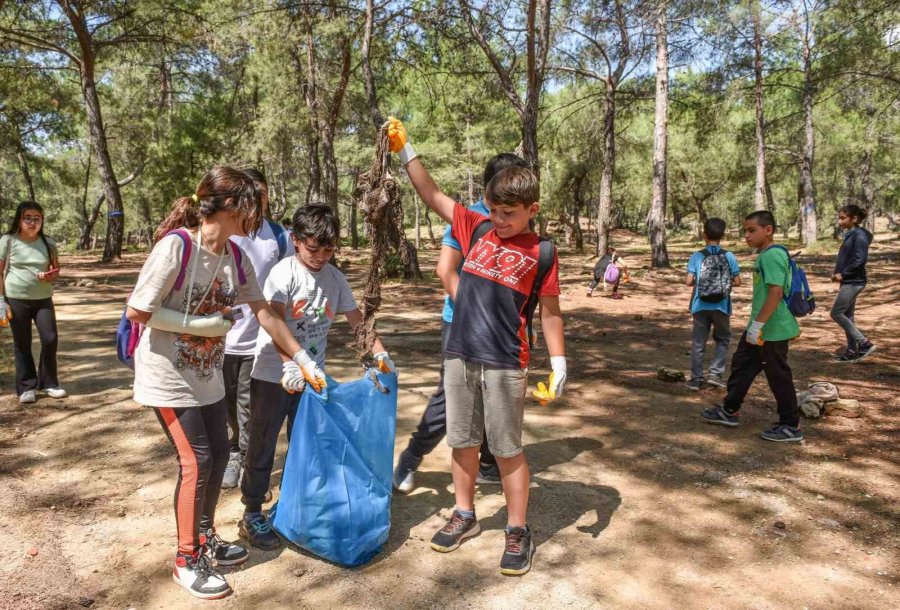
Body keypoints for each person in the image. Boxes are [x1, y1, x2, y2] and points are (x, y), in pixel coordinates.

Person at [126, 166, 326, 600]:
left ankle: (204, 537)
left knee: (219, 457)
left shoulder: (234, 255)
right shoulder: (177, 247)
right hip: (168, 377)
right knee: (197, 462)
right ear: (231, 205)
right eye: (253, 203)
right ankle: (186, 559)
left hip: (207, 376)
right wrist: (200, 324)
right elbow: (138, 310)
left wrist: (301, 356)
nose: (260, 212)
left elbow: (265, 312)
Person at [388, 117, 567, 576]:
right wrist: (406, 150)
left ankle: (517, 529)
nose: (500, 220)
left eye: (510, 213)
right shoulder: (477, 228)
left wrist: (559, 363)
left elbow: (550, 312)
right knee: (464, 442)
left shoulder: (542, 252)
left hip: (505, 361)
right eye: (494, 210)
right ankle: (464, 514)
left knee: (506, 449)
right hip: (460, 353)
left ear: (532, 209)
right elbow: (431, 194)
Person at [238, 203, 394, 550]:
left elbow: (357, 322)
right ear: (296, 240)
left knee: (306, 443)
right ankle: (252, 513)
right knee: (262, 443)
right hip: (273, 374)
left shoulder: (334, 279)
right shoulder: (284, 273)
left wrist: (380, 354)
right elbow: (275, 323)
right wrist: (291, 364)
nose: (321, 256)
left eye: (328, 249)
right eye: (313, 249)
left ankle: (298, 506)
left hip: (313, 377)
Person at [392, 154, 531, 495]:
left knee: (496, 392)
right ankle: (411, 457)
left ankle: (487, 463)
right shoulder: (470, 217)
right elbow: (445, 270)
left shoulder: (519, 216)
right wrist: (475, 311)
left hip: (505, 331)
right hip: (462, 323)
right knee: (452, 398)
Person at [700, 210, 802, 443]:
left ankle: (790, 425)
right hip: (759, 327)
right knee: (742, 366)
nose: (746, 235)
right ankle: (730, 410)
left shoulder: (772, 256)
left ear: (768, 230)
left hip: (771, 329)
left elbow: (776, 293)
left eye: (752, 230)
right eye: (745, 231)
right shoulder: (766, 255)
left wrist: (757, 326)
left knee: (778, 375)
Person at [221, 169, 294, 489]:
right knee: (225, 402)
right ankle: (232, 451)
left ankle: (246, 460)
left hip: (260, 338)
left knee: (250, 406)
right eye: (250, 193)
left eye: (261, 193)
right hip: (220, 336)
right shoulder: (228, 231)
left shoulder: (279, 236)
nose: (256, 199)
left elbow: (290, 280)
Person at [0, 201, 65, 403]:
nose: (32, 222)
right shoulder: (8, 241)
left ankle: (49, 383)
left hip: (43, 299)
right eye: (27, 218)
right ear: (19, 220)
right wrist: (1, 300)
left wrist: (50, 276)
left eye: (37, 218)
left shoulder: (48, 243)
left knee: (50, 338)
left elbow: (56, 270)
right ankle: (26, 387)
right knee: (22, 342)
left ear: (42, 221)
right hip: (15, 298)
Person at [685, 218, 742, 391]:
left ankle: (696, 379)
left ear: (704, 235)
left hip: (700, 306)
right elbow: (737, 281)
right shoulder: (729, 256)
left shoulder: (697, 256)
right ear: (723, 235)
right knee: (722, 340)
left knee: (698, 342)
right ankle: (715, 375)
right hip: (722, 306)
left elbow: (688, 281)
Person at [830, 204, 875, 363]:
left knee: (836, 313)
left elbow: (860, 259)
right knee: (848, 316)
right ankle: (851, 350)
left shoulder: (859, 235)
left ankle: (864, 343)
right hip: (849, 281)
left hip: (853, 282)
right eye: (839, 218)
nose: (840, 221)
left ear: (854, 218)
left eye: (843, 218)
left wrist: (843, 274)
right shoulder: (853, 234)